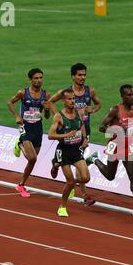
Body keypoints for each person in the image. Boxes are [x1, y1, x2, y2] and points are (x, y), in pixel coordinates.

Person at [86, 84, 133, 218]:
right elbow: (102, 127)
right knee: (110, 176)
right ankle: (94, 159)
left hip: (128, 147)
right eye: (129, 95)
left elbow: (132, 124)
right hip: (115, 146)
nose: (132, 97)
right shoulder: (115, 110)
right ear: (122, 96)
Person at [47, 63, 102, 179]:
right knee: (71, 156)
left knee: (79, 158)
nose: (82, 77)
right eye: (79, 75)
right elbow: (50, 102)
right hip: (67, 130)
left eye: (84, 75)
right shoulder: (66, 93)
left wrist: (92, 109)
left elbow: (99, 104)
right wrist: (59, 116)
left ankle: (78, 188)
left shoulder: (90, 91)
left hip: (83, 130)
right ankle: (57, 164)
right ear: (73, 76)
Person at [48, 89, 95, 217]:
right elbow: (50, 135)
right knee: (70, 183)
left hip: (76, 150)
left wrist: (85, 139)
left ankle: (67, 179)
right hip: (64, 151)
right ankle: (62, 206)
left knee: (86, 178)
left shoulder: (79, 113)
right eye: (69, 99)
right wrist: (66, 134)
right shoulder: (58, 116)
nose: (72, 101)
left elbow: (82, 126)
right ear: (63, 101)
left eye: (73, 98)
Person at [7, 68, 51, 197]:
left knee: (32, 161)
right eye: (36, 78)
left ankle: (21, 185)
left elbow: (47, 116)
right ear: (30, 80)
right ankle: (19, 144)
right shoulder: (23, 93)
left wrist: (47, 110)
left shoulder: (46, 95)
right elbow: (10, 102)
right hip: (24, 126)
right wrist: (17, 115)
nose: (39, 80)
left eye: (41, 78)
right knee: (32, 157)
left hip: (37, 128)